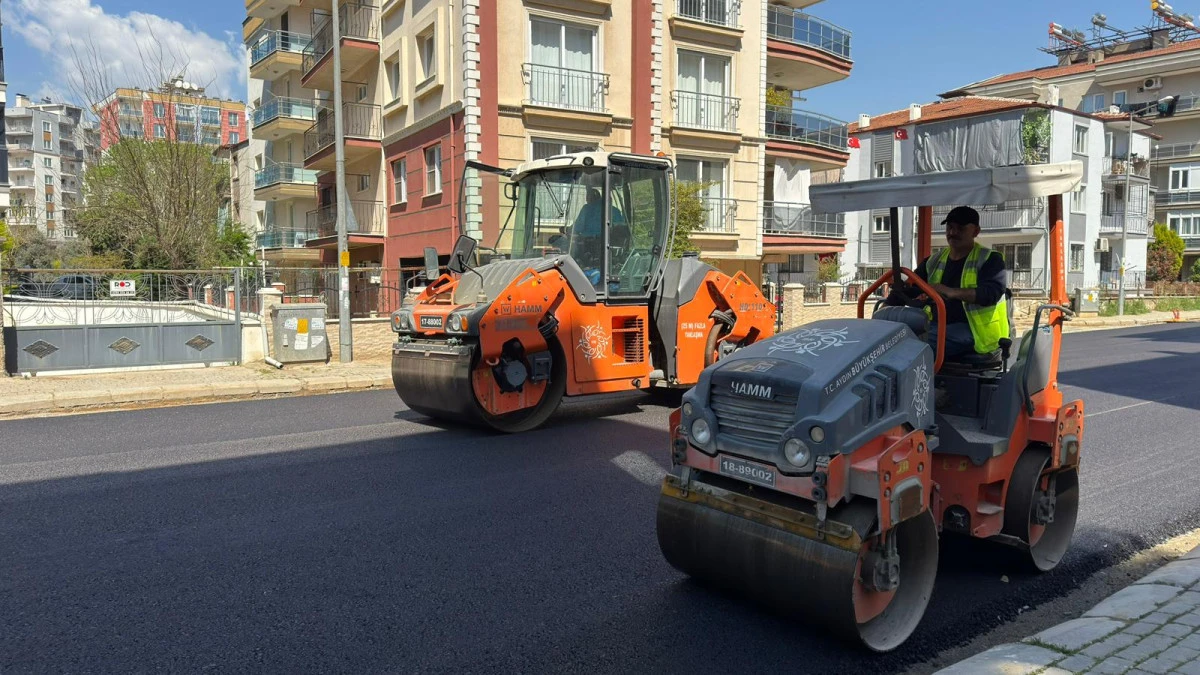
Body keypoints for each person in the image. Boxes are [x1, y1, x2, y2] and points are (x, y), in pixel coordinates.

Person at [886, 205, 1009, 359]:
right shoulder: (933, 261)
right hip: (938, 325)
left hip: (976, 331)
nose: (953, 233)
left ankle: (910, 381)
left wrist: (951, 291)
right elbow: (914, 288)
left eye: (960, 228)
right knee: (892, 337)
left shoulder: (990, 259)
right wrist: (890, 302)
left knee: (915, 344)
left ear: (976, 231)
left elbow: (991, 294)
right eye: (950, 227)